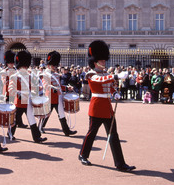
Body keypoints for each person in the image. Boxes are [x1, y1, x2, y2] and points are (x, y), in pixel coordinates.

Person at [78, 40, 135, 172]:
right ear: (95, 61)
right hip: (97, 108)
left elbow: (109, 86)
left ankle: (120, 163)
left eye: (104, 60)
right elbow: (100, 81)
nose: (104, 62)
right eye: (101, 60)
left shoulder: (104, 74)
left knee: (114, 135)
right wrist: (116, 75)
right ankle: (82, 155)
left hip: (107, 109)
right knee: (91, 133)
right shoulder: (90, 74)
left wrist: (115, 93)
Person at [8, 50, 47, 143]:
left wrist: (39, 88)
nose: (25, 68)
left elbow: (34, 87)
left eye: (25, 66)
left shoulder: (29, 76)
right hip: (19, 102)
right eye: (23, 66)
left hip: (28, 102)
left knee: (32, 119)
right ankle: (10, 133)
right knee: (15, 120)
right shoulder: (15, 76)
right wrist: (19, 93)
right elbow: (11, 89)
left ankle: (37, 137)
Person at [40, 51, 77, 136]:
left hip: (58, 98)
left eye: (55, 65)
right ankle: (41, 127)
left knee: (61, 114)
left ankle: (66, 131)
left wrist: (67, 88)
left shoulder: (56, 75)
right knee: (46, 114)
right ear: (48, 65)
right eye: (53, 65)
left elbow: (59, 85)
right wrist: (53, 88)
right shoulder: (45, 74)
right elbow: (45, 85)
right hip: (49, 98)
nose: (55, 67)